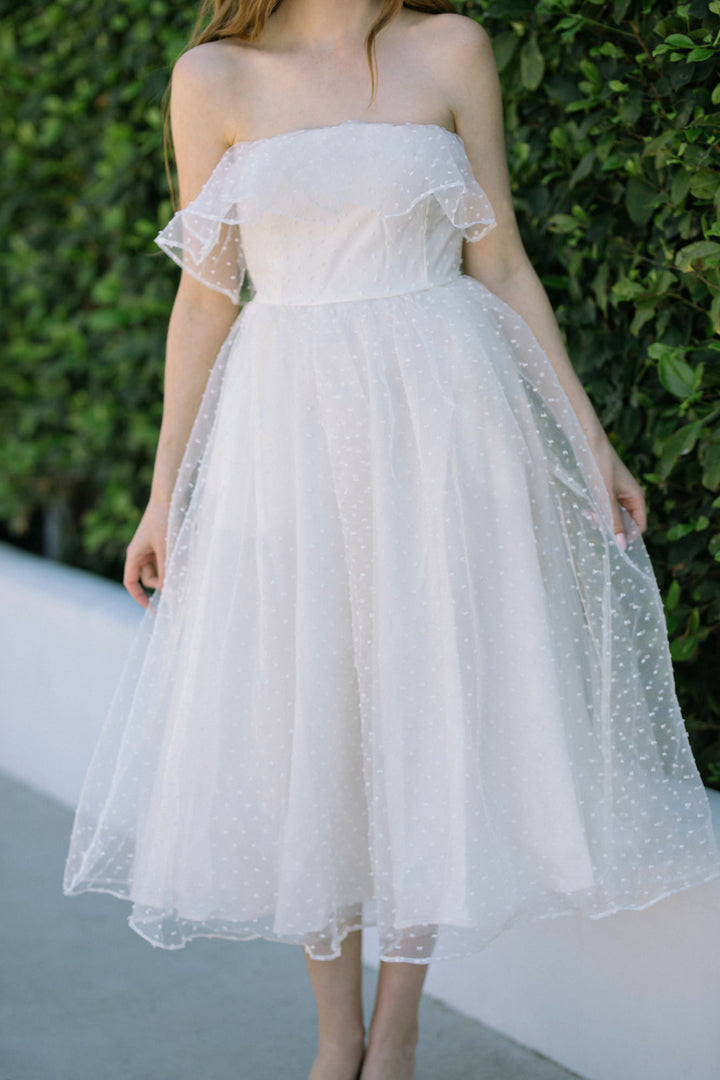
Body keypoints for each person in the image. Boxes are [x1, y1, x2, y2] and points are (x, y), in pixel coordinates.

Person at [63, 2, 720, 1078]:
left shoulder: (451, 48)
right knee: (304, 712)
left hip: (446, 421)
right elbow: (204, 295)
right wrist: (161, 493)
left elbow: (500, 262)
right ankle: (335, 1040)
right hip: (287, 430)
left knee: (432, 701)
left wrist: (590, 440)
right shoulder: (213, 77)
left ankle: (396, 1033)